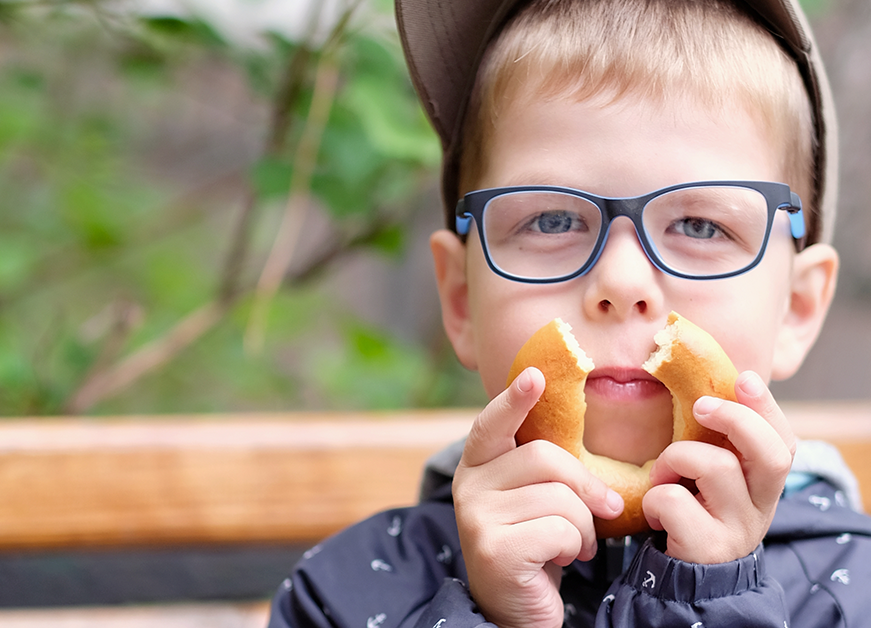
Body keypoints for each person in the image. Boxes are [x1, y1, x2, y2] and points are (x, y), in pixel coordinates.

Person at [267, 0, 871, 626]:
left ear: (796, 308)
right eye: (552, 221)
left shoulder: (853, 595)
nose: (621, 280)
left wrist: (709, 603)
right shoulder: (350, 596)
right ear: (460, 300)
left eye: (700, 225)